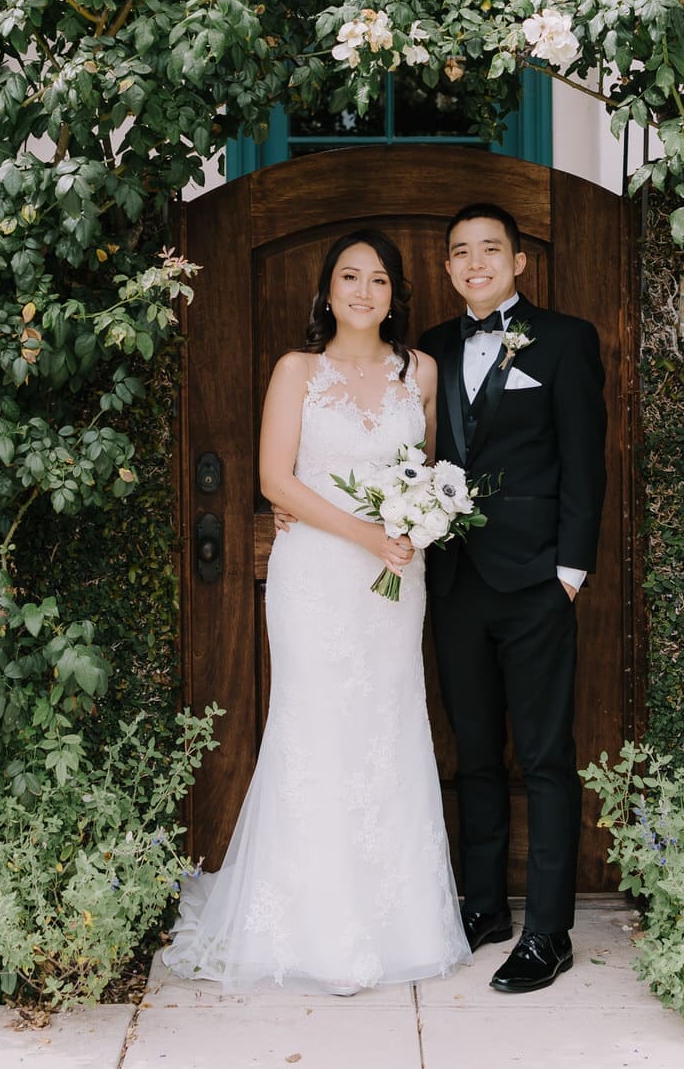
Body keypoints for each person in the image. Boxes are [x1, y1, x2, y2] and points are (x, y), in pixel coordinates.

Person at [159, 230, 469, 994]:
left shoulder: (421, 371)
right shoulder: (297, 370)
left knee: (390, 724)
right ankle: (311, 927)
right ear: (326, 291)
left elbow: (427, 473)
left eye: (379, 281)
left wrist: (418, 521)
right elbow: (276, 480)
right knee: (317, 725)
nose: (364, 292)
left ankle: (400, 923)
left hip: (396, 583)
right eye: (349, 278)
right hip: (318, 578)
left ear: (396, 295)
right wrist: (367, 532)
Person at [418, 201, 607, 994]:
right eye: (460, 252)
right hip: (455, 580)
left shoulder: (563, 340)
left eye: (489, 250)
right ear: (449, 266)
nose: (474, 263)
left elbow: (584, 459)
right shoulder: (426, 349)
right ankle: (485, 906)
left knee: (545, 757)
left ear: (519, 261)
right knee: (474, 756)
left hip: (535, 579)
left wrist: (571, 572)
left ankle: (549, 934)